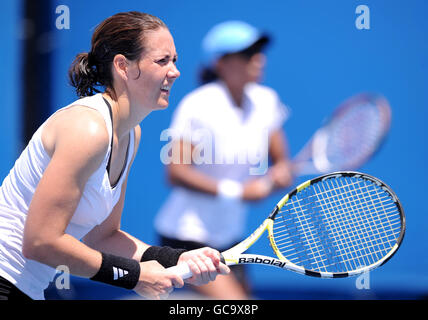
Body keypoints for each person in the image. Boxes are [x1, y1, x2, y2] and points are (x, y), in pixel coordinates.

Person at [0, 11, 229, 301]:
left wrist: (176, 259)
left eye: (175, 60)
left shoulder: (130, 134)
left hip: (25, 289)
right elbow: (40, 241)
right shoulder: (88, 129)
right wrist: (135, 277)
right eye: (162, 61)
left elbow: (103, 237)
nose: (175, 71)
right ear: (123, 66)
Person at [154, 20, 294, 299]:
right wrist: (239, 192)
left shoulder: (266, 101)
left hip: (231, 238)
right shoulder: (198, 105)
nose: (258, 58)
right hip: (186, 236)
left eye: (259, 51)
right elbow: (176, 172)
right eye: (247, 53)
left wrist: (279, 174)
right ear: (221, 63)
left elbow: (280, 160)